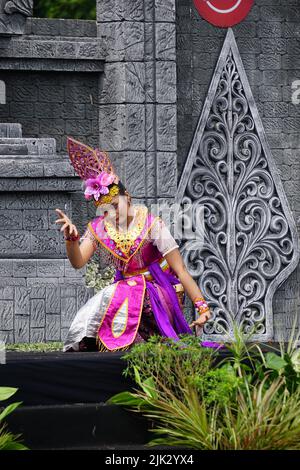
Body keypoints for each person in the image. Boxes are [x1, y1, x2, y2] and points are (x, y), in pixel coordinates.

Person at [55, 137, 212, 352]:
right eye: (105, 210)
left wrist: (202, 306)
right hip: (124, 293)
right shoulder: (99, 229)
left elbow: (181, 270)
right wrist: (71, 240)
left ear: (127, 198)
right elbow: (78, 261)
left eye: (116, 205)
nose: (112, 213)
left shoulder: (151, 225)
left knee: (128, 292)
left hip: (158, 290)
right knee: (115, 295)